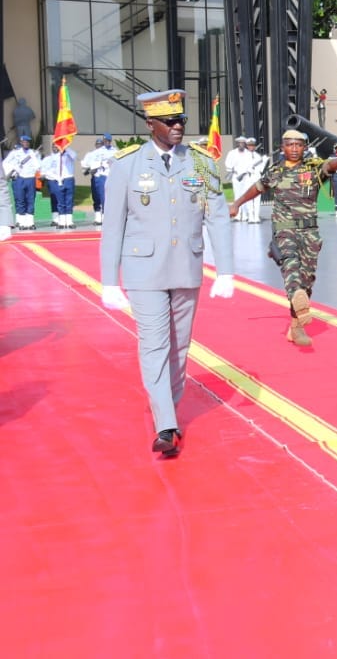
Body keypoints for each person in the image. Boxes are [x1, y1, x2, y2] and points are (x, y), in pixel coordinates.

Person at [99, 90, 235, 458]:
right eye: (170, 121)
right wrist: (109, 280)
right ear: (150, 124)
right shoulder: (126, 165)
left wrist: (226, 270)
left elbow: (218, 217)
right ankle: (166, 425)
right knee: (155, 343)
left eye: (181, 121)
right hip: (143, 269)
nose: (177, 127)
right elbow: (113, 226)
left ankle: (168, 409)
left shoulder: (202, 163)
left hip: (187, 268)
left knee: (180, 347)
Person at [229, 128, 337, 347]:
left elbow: (330, 165)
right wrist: (237, 204)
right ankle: (297, 308)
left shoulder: (313, 169)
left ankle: (296, 326)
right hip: (285, 230)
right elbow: (257, 189)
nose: (294, 149)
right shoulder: (275, 171)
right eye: (290, 145)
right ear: (282, 148)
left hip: (310, 232)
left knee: (306, 279)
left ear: (304, 147)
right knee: (291, 268)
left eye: (299, 145)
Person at [3, 134, 40, 230]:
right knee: (20, 200)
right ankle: (22, 222)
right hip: (19, 178)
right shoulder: (15, 153)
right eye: (24, 142)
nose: (26, 143)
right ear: (21, 142)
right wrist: (14, 167)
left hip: (30, 178)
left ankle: (30, 222)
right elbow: (5, 163)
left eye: (27, 142)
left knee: (30, 200)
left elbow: (38, 166)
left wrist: (34, 157)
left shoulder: (33, 153)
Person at [46, 141, 78, 229]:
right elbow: (51, 169)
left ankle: (69, 221)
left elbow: (75, 156)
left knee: (69, 200)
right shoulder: (55, 157)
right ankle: (62, 221)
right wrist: (55, 177)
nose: (57, 147)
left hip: (69, 179)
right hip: (59, 179)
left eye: (59, 145)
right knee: (60, 201)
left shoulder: (69, 154)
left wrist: (65, 147)